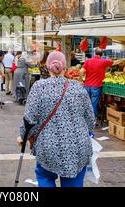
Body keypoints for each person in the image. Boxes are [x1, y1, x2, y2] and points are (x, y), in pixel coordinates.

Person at [17, 51, 95, 187]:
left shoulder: (39, 87)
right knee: (73, 181)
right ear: (65, 67)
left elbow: (29, 119)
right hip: (77, 147)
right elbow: (90, 120)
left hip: (48, 146)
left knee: (45, 176)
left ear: (47, 67)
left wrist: (23, 136)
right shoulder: (78, 87)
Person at [80, 48, 114, 119]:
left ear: (95, 53)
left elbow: (81, 71)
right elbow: (113, 62)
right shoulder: (103, 62)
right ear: (102, 55)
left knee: (86, 103)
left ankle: (84, 117)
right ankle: (92, 119)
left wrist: (81, 80)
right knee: (94, 103)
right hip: (96, 86)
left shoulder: (88, 61)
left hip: (87, 85)